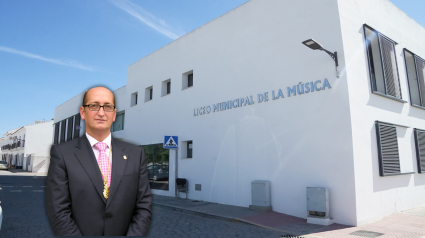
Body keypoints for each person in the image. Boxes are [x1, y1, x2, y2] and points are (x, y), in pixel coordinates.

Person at [46, 87, 152, 236]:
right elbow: (58, 210)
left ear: (114, 114)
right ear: (83, 112)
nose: (101, 113)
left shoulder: (135, 154)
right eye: (94, 106)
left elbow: (144, 207)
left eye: (108, 107)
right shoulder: (63, 154)